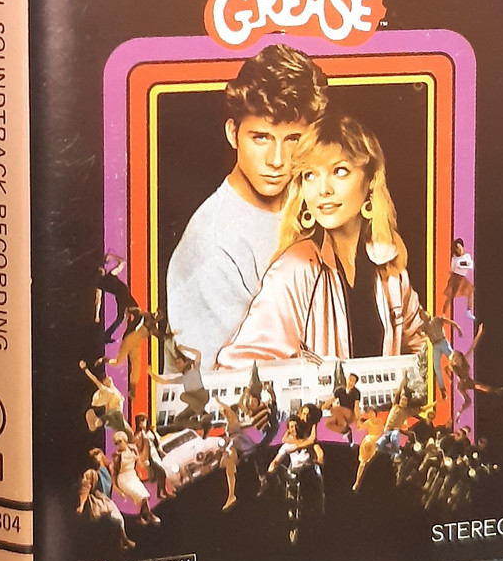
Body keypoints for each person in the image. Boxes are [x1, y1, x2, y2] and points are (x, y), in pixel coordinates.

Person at [216, 111, 426, 368]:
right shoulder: (296, 267)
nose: (323, 190)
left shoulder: (388, 267)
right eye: (310, 175)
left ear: (371, 179)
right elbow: (238, 369)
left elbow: (425, 348)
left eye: (339, 171)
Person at [166, 44, 328, 368]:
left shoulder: (316, 202)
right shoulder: (213, 244)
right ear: (233, 133)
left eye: (293, 139)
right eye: (261, 138)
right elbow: (216, 386)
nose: (277, 160)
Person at [96, 308, 175, 400]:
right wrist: (129, 312)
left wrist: (173, 334)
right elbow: (138, 311)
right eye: (158, 314)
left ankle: (132, 391)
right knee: (118, 362)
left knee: (136, 367)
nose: (158, 317)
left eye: (160, 317)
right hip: (130, 340)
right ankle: (105, 359)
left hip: (137, 345)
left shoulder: (154, 328)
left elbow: (162, 336)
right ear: (156, 313)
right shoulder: (148, 317)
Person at [147, 344, 213, 437]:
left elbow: (198, 354)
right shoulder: (181, 378)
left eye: (179, 363)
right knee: (178, 420)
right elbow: (164, 381)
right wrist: (151, 374)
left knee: (183, 396)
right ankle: (203, 425)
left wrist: (185, 348)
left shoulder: (194, 368)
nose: (178, 366)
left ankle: (203, 413)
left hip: (201, 396)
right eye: (176, 364)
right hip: (194, 403)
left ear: (185, 362)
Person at [76, 448, 135, 550]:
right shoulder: (91, 473)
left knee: (118, 520)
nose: (96, 457)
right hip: (99, 500)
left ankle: (122, 541)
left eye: (97, 454)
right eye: (93, 456)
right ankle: (123, 540)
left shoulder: (107, 469)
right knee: (117, 519)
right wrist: (81, 505)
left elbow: (111, 484)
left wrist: (120, 493)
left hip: (107, 500)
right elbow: (85, 489)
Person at [445, 323, 503, 421]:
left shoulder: (465, 359)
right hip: (462, 385)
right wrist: (449, 378)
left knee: (478, 389)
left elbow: (473, 346)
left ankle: (496, 390)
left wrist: (479, 333)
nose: (457, 361)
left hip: (468, 381)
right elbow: (447, 368)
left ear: (460, 357)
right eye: (455, 361)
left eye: (458, 359)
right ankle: (459, 413)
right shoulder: (454, 368)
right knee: (469, 400)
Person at [111, 431, 161, 525]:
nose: (119, 445)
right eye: (116, 443)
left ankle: (146, 514)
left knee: (144, 494)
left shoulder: (133, 449)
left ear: (125, 440)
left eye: (120, 441)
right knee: (139, 495)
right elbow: (114, 474)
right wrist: (118, 490)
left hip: (133, 476)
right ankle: (139, 517)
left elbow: (139, 462)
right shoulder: (117, 456)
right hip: (123, 478)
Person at [79, 360, 133, 441]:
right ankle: (98, 421)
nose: (108, 378)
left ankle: (102, 421)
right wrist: (85, 369)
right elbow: (95, 380)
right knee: (114, 421)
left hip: (118, 417)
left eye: (107, 377)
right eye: (105, 379)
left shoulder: (114, 389)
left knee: (130, 435)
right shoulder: (106, 390)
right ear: (104, 383)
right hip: (114, 414)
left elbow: (107, 405)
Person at [94, 253, 139, 344]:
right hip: (123, 295)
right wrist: (112, 257)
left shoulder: (100, 285)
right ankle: (123, 334)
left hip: (121, 296)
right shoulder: (111, 274)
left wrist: (97, 315)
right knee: (134, 313)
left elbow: (98, 300)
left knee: (124, 316)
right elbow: (123, 262)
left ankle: (108, 335)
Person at [418, 309, 462, 400]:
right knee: (436, 367)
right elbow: (419, 332)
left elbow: (448, 322)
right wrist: (421, 333)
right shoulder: (424, 326)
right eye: (422, 316)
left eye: (425, 314)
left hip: (443, 342)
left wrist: (458, 328)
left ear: (428, 313)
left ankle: (461, 376)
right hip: (435, 346)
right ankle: (442, 389)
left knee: (453, 359)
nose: (424, 316)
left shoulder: (436, 319)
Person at [134, 413, 173, 500]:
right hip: (149, 456)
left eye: (144, 421)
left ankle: (160, 492)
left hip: (155, 453)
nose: (143, 423)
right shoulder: (138, 435)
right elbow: (139, 447)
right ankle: (163, 491)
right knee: (161, 472)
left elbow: (156, 441)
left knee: (161, 474)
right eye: (141, 422)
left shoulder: (149, 431)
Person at [323, 372, 361, 445]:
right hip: (340, 415)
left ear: (355, 383)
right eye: (350, 379)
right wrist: (323, 407)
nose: (350, 382)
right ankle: (345, 431)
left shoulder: (356, 392)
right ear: (346, 379)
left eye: (353, 381)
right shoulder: (339, 390)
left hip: (350, 414)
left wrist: (358, 420)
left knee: (335, 409)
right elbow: (331, 400)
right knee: (328, 423)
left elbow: (356, 407)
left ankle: (345, 427)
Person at [352, 407, 385, 491]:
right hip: (369, 442)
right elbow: (359, 427)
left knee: (373, 462)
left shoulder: (380, 421)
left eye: (372, 412)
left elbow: (383, 432)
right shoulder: (368, 422)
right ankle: (357, 481)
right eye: (369, 413)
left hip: (376, 442)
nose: (370, 414)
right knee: (363, 462)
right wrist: (358, 419)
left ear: (375, 413)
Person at [442, 238, 475, 320]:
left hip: (462, 278)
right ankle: (443, 313)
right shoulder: (455, 258)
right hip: (455, 278)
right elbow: (454, 267)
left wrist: (462, 265)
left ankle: (468, 311)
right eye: (457, 248)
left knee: (470, 292)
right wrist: (463, 264)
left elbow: (470, 265)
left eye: (460, 247)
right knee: (450, 296)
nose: (460, 250)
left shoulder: (467, 256)